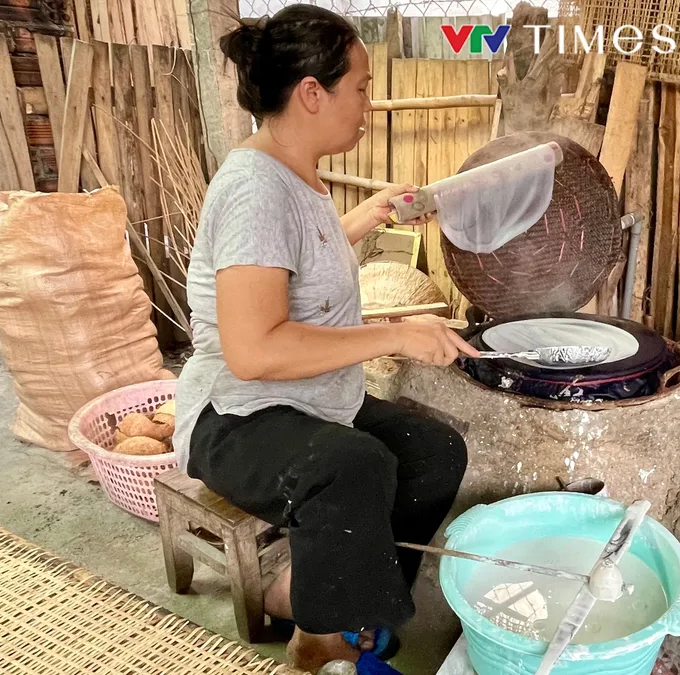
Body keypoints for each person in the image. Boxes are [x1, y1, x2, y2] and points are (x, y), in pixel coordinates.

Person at [171, 5, 480, 672]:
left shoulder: (294, 171)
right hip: (233, 413)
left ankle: (318, 596)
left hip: (304, 396)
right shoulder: (256, 189)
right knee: (352, 465)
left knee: (433, 452)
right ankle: (318, 643)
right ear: (312, 92)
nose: (370, 102)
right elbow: (254, 351)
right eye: (361, 86)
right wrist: (392, 334)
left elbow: (289, 265)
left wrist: (361, 219)